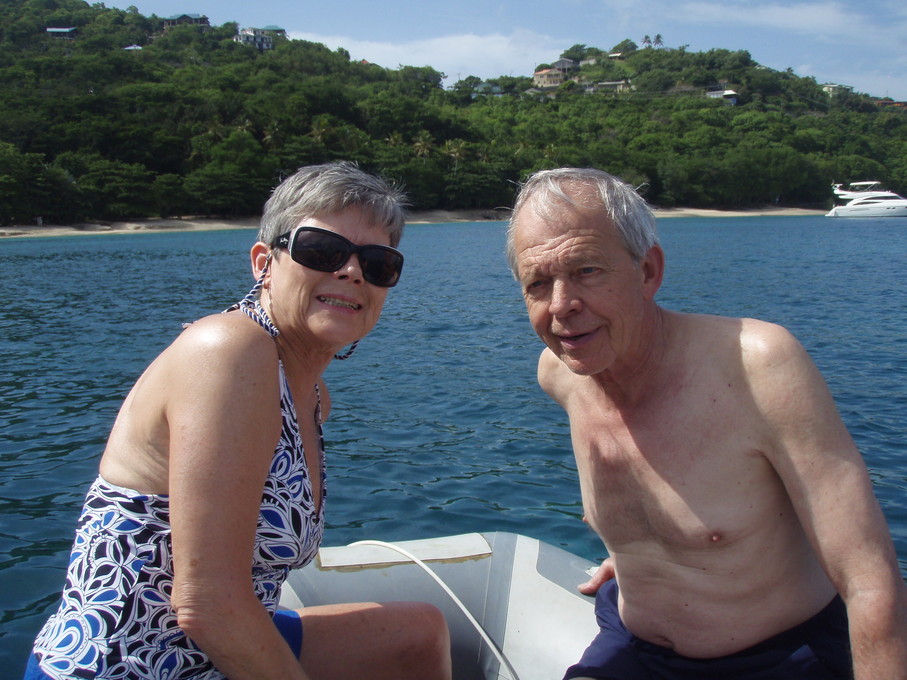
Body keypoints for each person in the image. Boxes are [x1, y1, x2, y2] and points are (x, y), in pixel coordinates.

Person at [25, 162, 451, 680]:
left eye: (378, 264)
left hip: (207, 648)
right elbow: (206, 603)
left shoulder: (312, 398)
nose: (352, 272)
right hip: (127, 665)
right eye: (322, 250)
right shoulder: (226, 351)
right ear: (264, 263)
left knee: (420, 635)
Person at [506, 167, 907, 680]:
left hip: (782, 656)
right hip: (632, 641)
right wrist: (643, 558)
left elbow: (870, 581)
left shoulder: (757, 368)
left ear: (648, 271)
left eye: (587, 270)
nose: (562, 305)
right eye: (538, 283)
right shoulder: (560, 373)